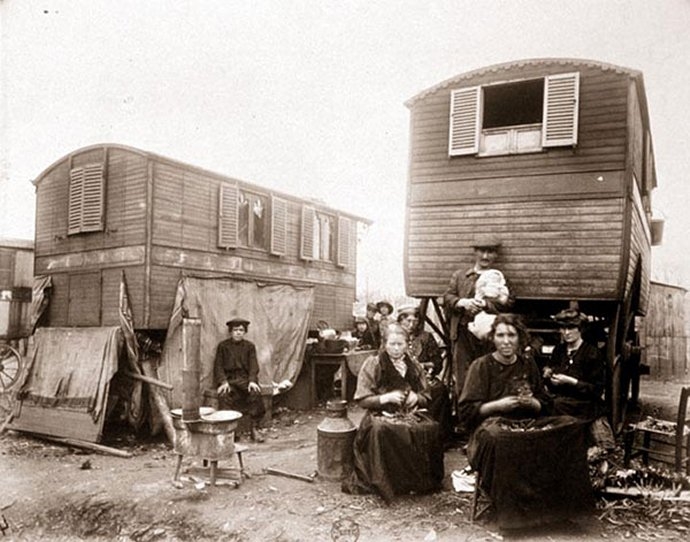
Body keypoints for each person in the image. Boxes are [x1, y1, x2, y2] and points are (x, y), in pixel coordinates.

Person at [458, 314, 594, 530]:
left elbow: (545, 403)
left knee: (571, 426)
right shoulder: (481, 366)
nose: (506, 341)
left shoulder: (527, 364)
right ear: (492, 338)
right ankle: (514, 518)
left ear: (520, 338)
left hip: (528, 425)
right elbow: (466, 413)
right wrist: (498, 405)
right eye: (500, 335)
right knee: (501, 438)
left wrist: (534, 404)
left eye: (511, 335)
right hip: (491, 427)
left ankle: (562, 509)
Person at [342, 323, 444, 503]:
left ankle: (417, 482)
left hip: (409, 413)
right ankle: (391, 483)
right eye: (392, 344)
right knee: (382, 430)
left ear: (407, 344)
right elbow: (362, 399)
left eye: (400, 344)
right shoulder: (373, 363)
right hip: (380, 414)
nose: (396, 349)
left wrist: (417, 397)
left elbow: (426, 396)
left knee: (430, 427)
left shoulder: (414, 365)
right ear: (384, 344)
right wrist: (385, 398)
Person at [443, 234, 513, 401]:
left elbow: (509, 302)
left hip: (488, 335)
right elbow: (447, 297)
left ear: (496, 255)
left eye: (490, 252)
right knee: (463, 377)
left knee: (489, 374)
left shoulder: (500, 279)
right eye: (482, 251)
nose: (485, 256)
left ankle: (486, 419)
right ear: (475, 253)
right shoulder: (460, 276)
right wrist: (463, 302)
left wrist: (486, 305)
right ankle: (464, 420)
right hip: (462, 334)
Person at [544, 307, 613, 448]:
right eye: (563, 329)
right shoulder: (559, 351)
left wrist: (571, 381)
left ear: (580, 328)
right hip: (561, 401)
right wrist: (549, 377)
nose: (566, 333)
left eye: (571, 328)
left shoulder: (592, 353)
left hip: (584, 404)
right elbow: (551, 379)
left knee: (556, 407)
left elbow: (596, 390)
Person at [397, 304, 453, 442]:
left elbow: (437, 362)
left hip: (423, 377)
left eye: (414, 321)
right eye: (408, 321)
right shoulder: (393, 338)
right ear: (400, 321)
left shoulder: (426, 337)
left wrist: (427, 366)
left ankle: (436, 435)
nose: (411, 325)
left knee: (438, 390)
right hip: (399, 378)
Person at [213, 318, 266, 442]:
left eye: (241, 330)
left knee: (255, 393)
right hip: (230, 380)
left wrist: (252, 380)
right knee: (224, 395)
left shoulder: (249, 346)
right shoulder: (223, 346)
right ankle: (231, 432)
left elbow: (254, 365)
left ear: (245, 332)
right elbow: (218, 366)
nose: (238, 333)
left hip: (245, 379)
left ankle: (254, 429)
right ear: (231, 332)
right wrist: (223, 382)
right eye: (235, 330)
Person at [467, 268, 510, 340]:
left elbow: (504, 301)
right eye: (491, 278)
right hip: (481, 312)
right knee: (479, 320)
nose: (493, 280)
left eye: (496, 279)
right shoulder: (482, 288)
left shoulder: (501, 288)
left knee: (491, 324)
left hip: (493, 314)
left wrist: (501, 296)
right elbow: (477, 296)